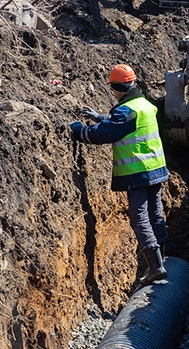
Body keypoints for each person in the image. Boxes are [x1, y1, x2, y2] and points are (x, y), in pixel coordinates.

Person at [70, 64, 169, 287]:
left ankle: (155, 267)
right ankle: (161, 260)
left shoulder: (126, 111)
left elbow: (108, 133)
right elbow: (124, 123)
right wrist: (100, 117)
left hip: (138, 172)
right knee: (156, 215)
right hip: (156, 169)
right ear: (133, 82)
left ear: (116, 86)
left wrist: (79, 130)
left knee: (139, 218)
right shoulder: (144, 105)